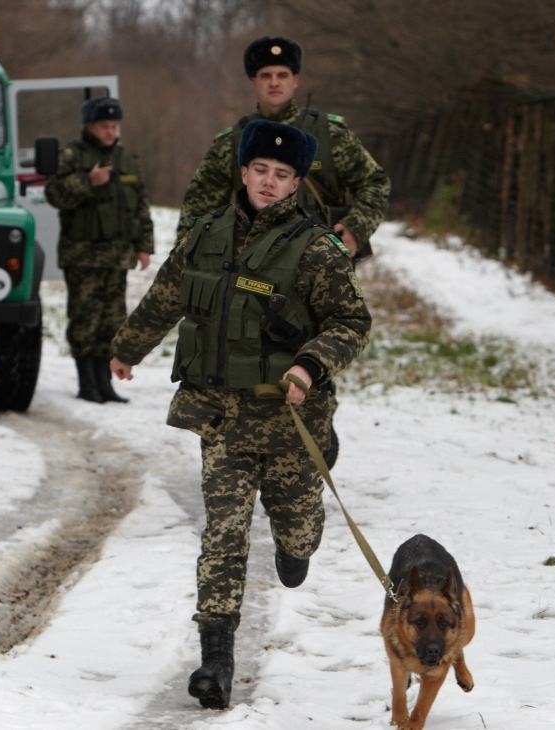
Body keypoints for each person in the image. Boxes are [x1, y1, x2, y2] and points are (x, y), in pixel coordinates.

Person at [110, 120, 371, 710]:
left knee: (297, 526)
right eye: (260, 170)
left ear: (298, 183)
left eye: (282, 175)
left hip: (289, 421)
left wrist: (308, 366)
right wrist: (128, 347)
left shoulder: (316, 249)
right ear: (244, 171)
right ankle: (216, 661)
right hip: (222, 417)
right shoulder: (207, 233)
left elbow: (352, 322)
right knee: (223, 534)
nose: (269, 183)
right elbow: (167, 295)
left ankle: (296, 546)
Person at [176, 36, 390, 466]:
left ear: (296, 80)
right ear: (254, 82)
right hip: (249, 280)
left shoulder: (329, 134)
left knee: (315, 364)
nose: (274, 83)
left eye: (283, 75)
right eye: (265, 76)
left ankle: (312, 453)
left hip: (313, 277)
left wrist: (353, 229)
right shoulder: (235, 141)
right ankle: (244, 465)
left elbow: (375, 183)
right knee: (248, 369)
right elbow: (197, 207)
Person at [45, 96, 154, 403]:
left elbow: (140, 207)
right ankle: (87, 384)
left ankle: (105, 384)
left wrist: (143, 246)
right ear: (89, 126)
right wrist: (87, 181)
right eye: (104, 126)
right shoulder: (72, 155)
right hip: (83, 256)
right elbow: (54, 193)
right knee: (84, 321)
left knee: (112, 321)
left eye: (114, 126)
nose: (110, 132)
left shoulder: (126, 160)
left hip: (117, 256)